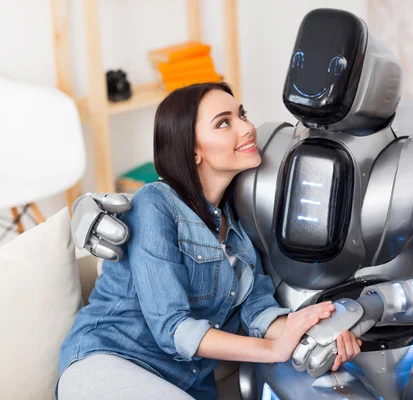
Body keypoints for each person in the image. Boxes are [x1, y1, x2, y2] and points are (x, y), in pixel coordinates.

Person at [56, 82, 363, 400]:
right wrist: (273, 350)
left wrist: (318, 336)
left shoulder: (240, 228)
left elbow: (258, 312)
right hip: (105, 363)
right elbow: (171, 327)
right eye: (224, 122)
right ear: (192, 149)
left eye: (242, 115)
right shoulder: (155, 203)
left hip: (184, 384)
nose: (247, 127)